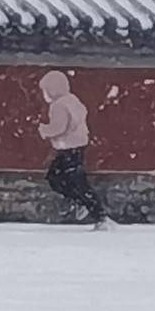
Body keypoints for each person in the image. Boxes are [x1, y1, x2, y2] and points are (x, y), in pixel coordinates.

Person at [37, 69, 107, 224]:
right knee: (75, 180)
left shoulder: (58, 105)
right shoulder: (72, 100)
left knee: (59, 179)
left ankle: (90, 208)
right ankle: (83, 204)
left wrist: (44, 130)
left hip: (68, 148)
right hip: (78, 147)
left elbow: (59, 127)